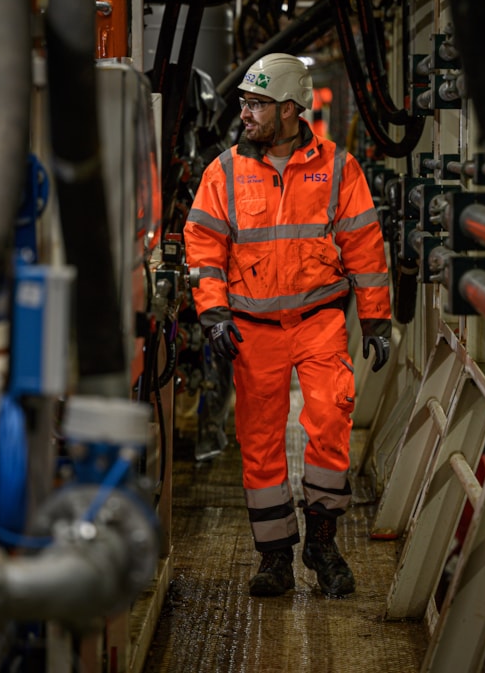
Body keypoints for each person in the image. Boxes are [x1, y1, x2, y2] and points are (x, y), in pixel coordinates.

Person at [183, 53, 392, 597]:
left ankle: (322, 544)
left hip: (320, 321)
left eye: (257, 104)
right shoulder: (224, 171)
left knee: (328, 422)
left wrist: (375, 321)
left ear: (291, 109)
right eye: (245, 104)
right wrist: (213, 312)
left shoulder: (338, 169)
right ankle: (275, 557)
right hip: (253, 329)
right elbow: (204, 247)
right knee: (259, 443)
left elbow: (365, 249)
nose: (246, 114)